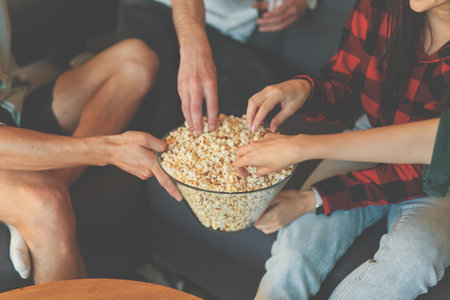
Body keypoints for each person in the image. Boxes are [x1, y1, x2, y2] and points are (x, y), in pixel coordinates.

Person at [235, 0, 450, 298]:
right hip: (370, 130)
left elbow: (439, 156)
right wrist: (304, 90)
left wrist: (314, 196)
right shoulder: (382, 6)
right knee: (295, 249)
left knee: (412, 261)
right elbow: (346, 85)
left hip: (445, 178)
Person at [0, 0, 180, 284]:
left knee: (136, 59)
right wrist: (107, 149)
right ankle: (31, 208)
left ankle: (44, 191)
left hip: (10, 107)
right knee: (45, 205)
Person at [118, 0, 317, 138]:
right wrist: (194, 48)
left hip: (226, 28)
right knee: (154, 92)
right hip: (158, 6)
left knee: (261, 100)